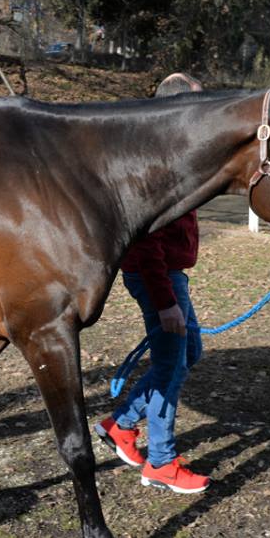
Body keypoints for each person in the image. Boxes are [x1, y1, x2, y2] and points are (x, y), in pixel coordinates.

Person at [94, 72, 210, 494]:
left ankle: (121, 424)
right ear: (179, 108)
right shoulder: (154, 165)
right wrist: (165, 301)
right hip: (157, 277)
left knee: (188, 353)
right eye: (199, 104)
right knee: (170, 365)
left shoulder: (174, 155)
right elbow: (144, 243)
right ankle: (161, 462)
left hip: (169, 275)